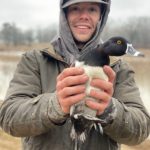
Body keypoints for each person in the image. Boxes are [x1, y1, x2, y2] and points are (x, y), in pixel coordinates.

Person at [0, 0, 150, 150]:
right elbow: (8, 118)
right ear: (64, 15)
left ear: (101, 16)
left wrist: (110, 110)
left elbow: (141, 130)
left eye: (92, 9)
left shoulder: (119, 69)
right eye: (76, 9)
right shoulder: (34, 60)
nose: (84, 16)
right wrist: (55, 105)